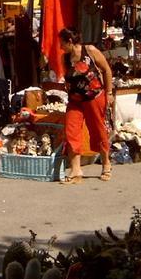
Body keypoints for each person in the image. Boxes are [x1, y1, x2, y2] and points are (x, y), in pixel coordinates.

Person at [57, 27, 114, 184]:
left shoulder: (89, 50)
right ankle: (76, 170)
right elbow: (68, 79)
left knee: (97, 129)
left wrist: (109, 92)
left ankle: (106, 164)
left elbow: (106, 70)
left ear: (70, 41)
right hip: (75, 100)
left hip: (94, 97)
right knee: (71, 131)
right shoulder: (65, 58)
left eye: (62, 43)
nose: (60, 47)